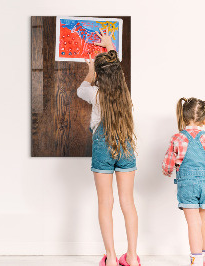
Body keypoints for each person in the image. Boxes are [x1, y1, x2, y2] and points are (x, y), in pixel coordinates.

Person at [77, 28, 140, 266]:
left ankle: (112, 258)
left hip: (103, 147)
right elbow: (117, 71)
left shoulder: (95, 94)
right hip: (125, 146)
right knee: (128, 202)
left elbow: (79, 89)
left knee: (106, 203)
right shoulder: (124, 93)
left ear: (100, 77)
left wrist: (91, 70)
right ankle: (132, 257)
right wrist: (110, 46)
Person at [162, 98, 205, 266]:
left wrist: (167, 171)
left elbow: (167, 164)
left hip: (187, 186)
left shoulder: (177, 138)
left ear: (183, 117)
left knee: (193, 224)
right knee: (201, 222)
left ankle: (196, 261)